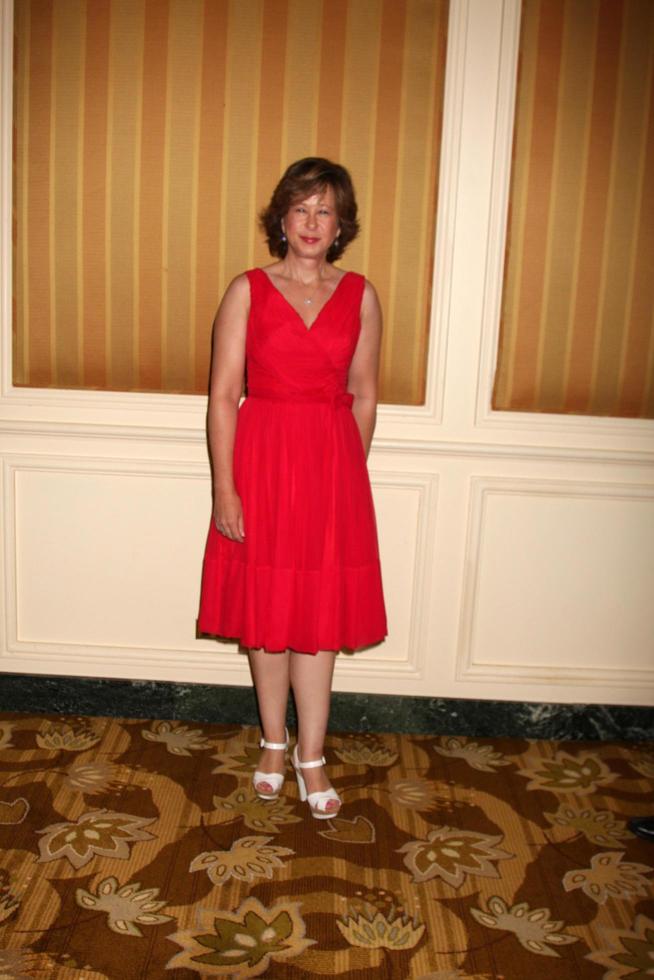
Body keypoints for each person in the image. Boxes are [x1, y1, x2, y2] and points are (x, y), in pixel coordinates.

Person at [198, 158, 387, 819]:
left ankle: (313, 754)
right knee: (268, 617)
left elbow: (364, 396)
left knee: (319, 623)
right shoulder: (247, 290)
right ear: (282, 218)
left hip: (331, 469)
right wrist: (226, 489)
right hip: (263, 463)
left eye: (325, 210)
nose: (312, 222)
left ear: (341, 225)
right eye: (301, 208)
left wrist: (346, 475)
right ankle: (273, 743)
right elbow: (224, 395)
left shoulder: (361, 294)